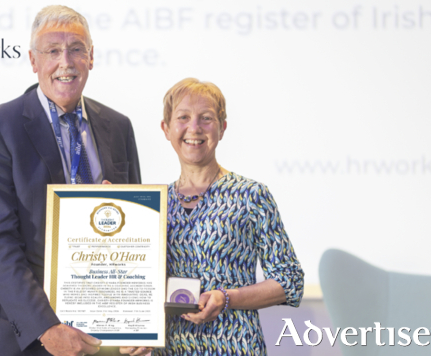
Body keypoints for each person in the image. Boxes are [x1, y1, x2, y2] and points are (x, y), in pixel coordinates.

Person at [0, 5, 141, 356]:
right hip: (26, 336)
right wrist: (45, 327)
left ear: (91, 58)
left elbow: (137, 233)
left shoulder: (118, 126)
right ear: (33, 60)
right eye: (53, 51)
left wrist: (137, 323)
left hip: (104, 333)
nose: (66, 61)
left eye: (76, 49)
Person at [122, 78, 304, 356]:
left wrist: (227, 297)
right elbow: (137, 284)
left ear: (222, 128)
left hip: (235, 346)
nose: (194, 128)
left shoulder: (251, 195)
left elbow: (290, 281)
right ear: (166, 128)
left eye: (206, 118)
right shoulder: (153, 206)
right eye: (183, 117)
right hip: (172, 350)